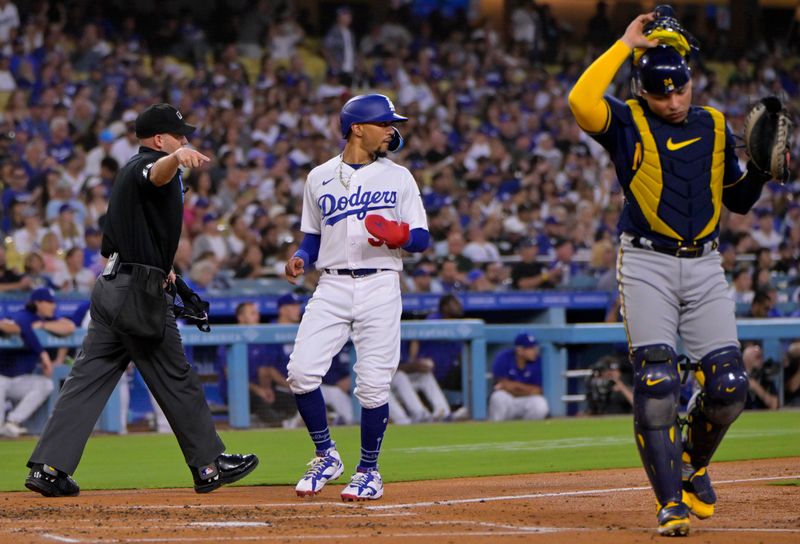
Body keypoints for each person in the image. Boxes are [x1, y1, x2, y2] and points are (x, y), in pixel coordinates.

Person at [568, 7, 781, 536]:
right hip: (645, 261)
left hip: (705, 262)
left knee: (730, 386)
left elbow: (737, 201)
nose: (672, 100)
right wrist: (623, 44)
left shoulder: (713, 123)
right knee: (658, 379)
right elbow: (580, 100)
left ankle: (692, 464)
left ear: (690, 82)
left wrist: (758, 171)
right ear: (642, 89)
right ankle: (669, 503)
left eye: (679, 89)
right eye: (661, 92)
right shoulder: (625, 121)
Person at [24, 103, 258, 497]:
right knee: (175, 375)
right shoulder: (146, 165)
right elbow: (155, 174)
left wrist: (163, 268)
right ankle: (209, 465)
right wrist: (174, 158)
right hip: (136, 293)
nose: (185, 140)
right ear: (158, 139)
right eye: (178, 135)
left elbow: (135, 233)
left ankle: (49, 468)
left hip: (116, 285)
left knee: (87, 379)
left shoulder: (133, 173)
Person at [284, 94, 429, 501]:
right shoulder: (319, 176)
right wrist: (300, 256)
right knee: (301, 372)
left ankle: (369, 470)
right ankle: (326, 454)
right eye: (384, 123)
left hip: (381, 283)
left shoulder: (398, 177)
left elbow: (422, 237)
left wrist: (400, 236)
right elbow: (312, 235)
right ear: (357, 128)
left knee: (372, 386)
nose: (391, 130)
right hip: (331, 284)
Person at [0, 287, 74, 437]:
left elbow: (69, 327)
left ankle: (12, 422)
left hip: (20, 379)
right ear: (37, 303)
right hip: (1, 377)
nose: (53, 305)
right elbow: (20, 326)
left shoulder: (43, 320)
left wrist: (43, 326)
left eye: (53, 302)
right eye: (48, 302)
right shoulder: (23, 314)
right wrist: (43, 354)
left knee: (45, 384)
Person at [488, 333, 549, 421]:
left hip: (526, 400)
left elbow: (538, 390)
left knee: (540, 404)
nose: (535, 351)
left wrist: (513, 387)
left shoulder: (537, 361)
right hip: (508, 399)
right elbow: (501, 383)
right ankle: (496, 431)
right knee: (498, 397)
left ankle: (528, 432)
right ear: (520, 351)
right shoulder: (504, 357)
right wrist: (526, 389)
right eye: (531, 348)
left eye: (535, 348)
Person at [741, 344, 779, 410]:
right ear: (746, 359)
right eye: (757, 357)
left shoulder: (765, 378)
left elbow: (774, 405)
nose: (762, 360)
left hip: (762, 416)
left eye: (762, 357)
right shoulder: (737, 378)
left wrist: (757, 388)